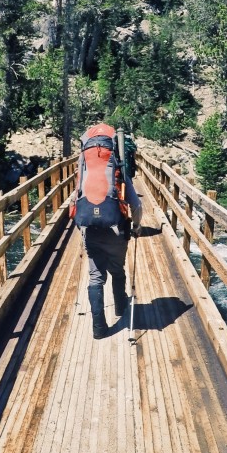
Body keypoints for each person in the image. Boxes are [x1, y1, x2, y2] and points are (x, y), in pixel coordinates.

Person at [69, 123, 142, 339]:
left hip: (90, 230)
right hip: (116, 231)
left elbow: (74, 201)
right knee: (117, 270)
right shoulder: (119, 172)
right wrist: (136, 227)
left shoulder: (84, 172)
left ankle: (99, 329)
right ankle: (121, 307)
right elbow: (136, 206)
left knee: (95, 277)